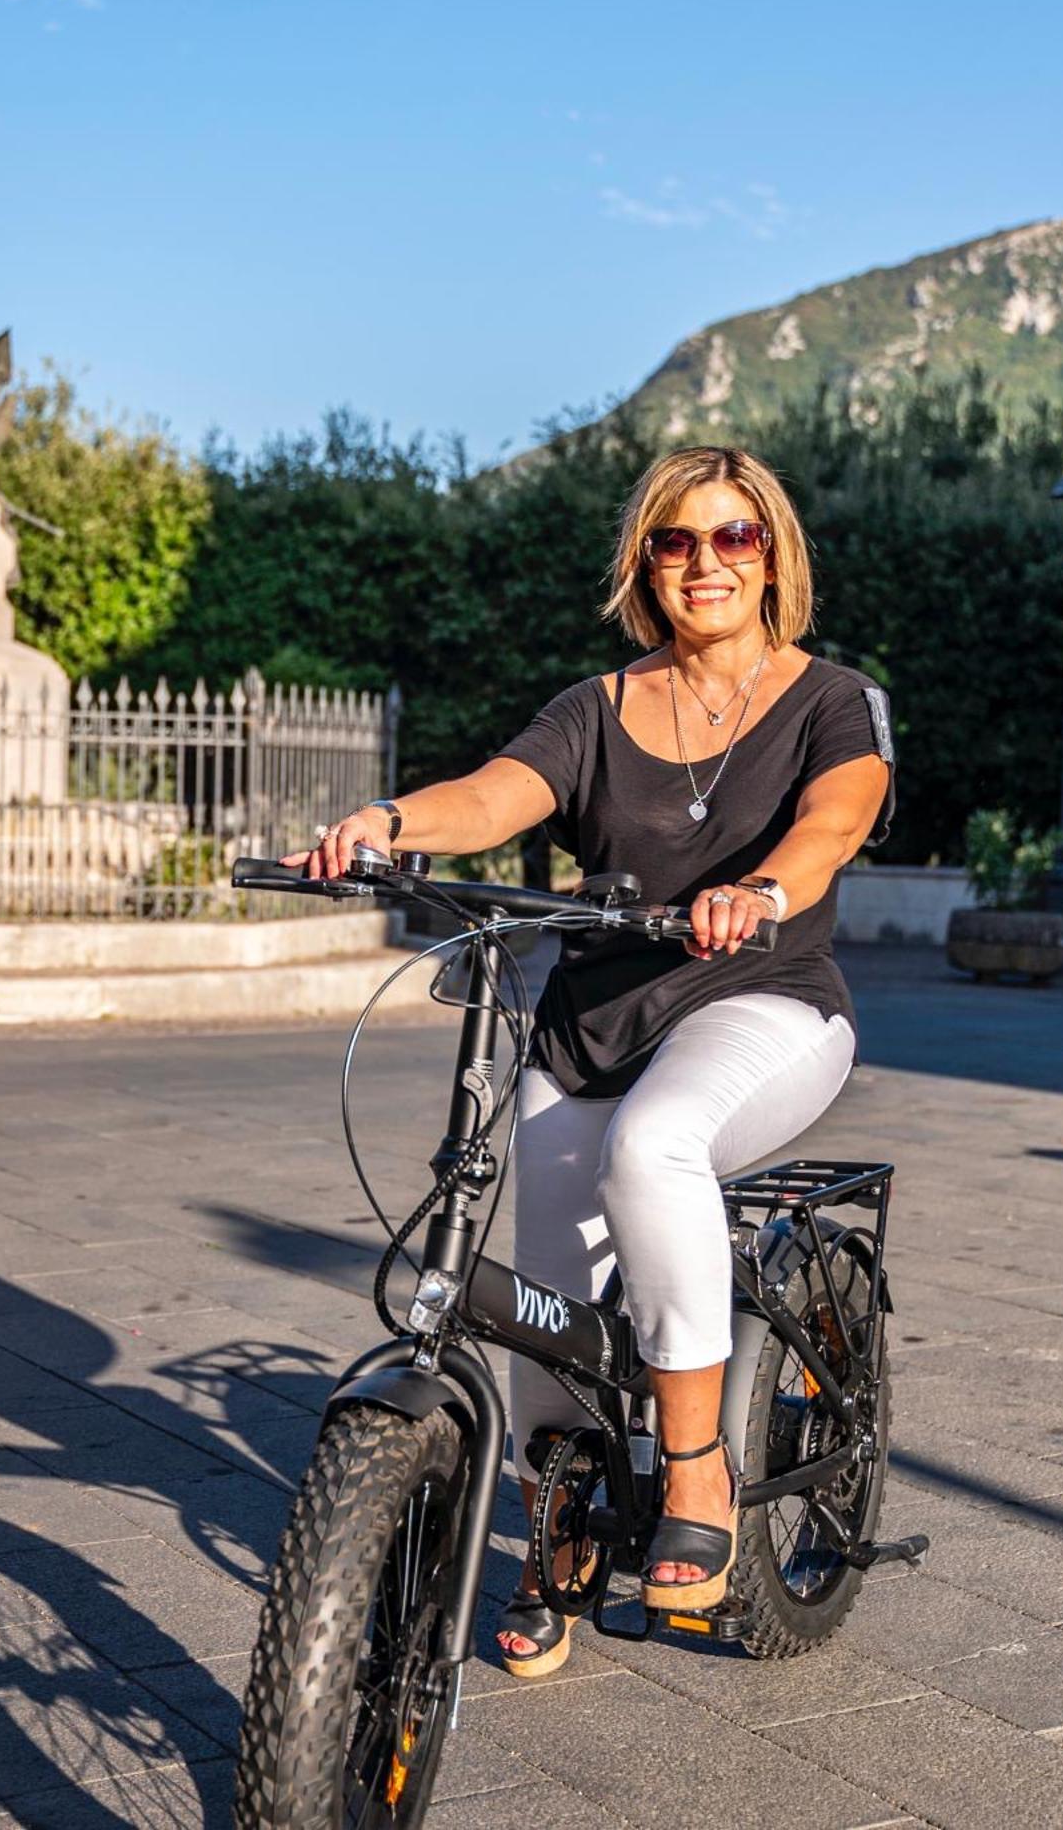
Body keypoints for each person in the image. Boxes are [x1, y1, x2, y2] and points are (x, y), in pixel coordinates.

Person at [289, 443, 895, 1677]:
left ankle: (697, 1471)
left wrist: (765, 887)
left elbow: (836, 819)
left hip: (763, 997)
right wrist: (392, 822)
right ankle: (557, 1535)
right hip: (593, 1022)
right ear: (645, 563)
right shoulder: (598, 706)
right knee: (552, 1301)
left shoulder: (833, 696)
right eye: (677, 540)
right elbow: (496, 792)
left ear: (772, 554)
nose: (705, 562)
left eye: (733, 537)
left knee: (654, 1145)